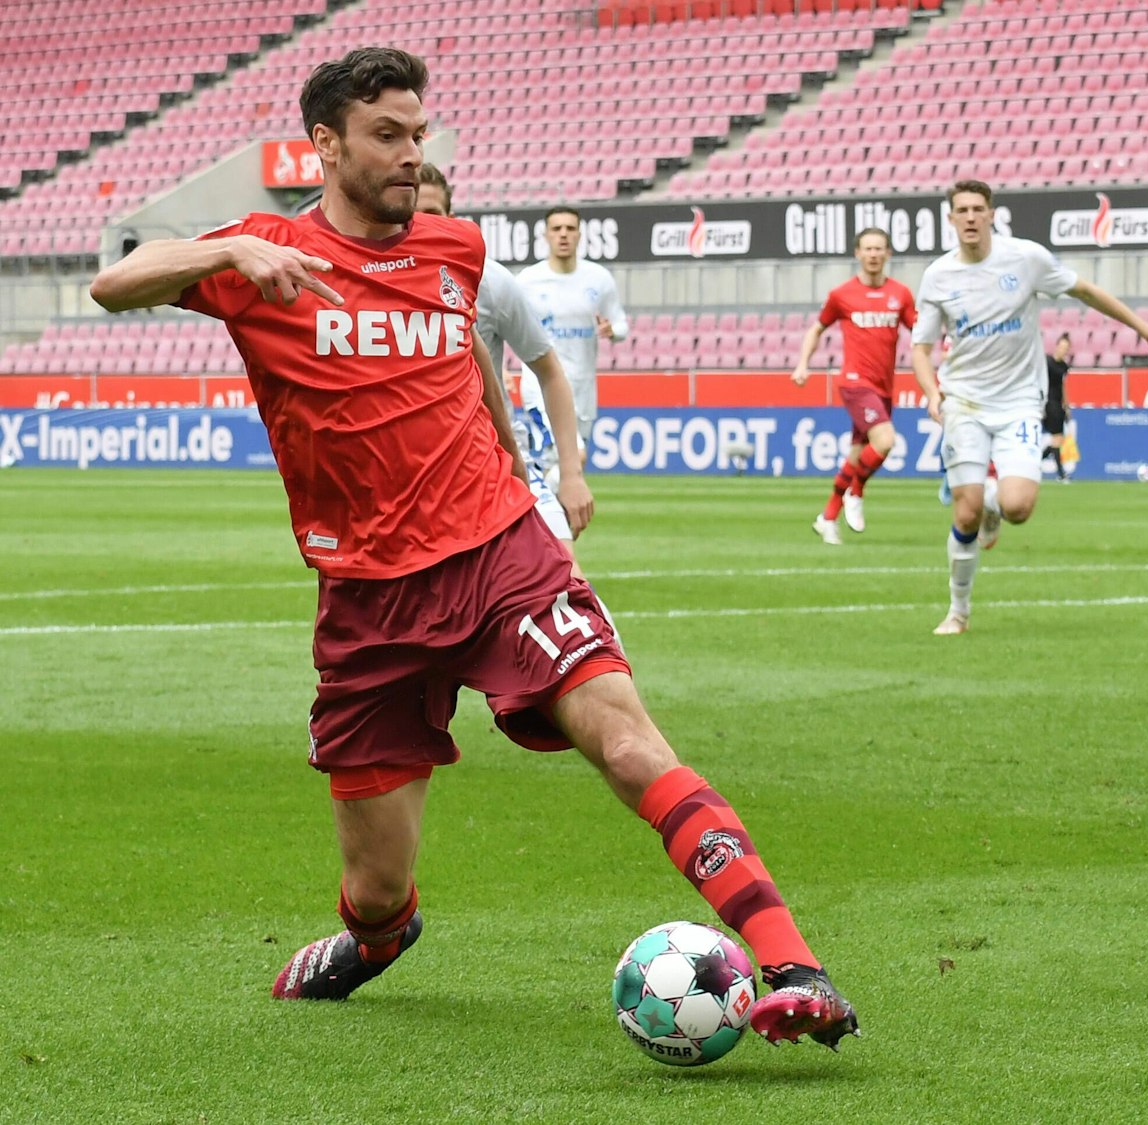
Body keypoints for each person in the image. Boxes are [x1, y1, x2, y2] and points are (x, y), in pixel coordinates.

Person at [87, 47, 856, 1049]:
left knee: (628, 742)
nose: (411, 153)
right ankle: (378, 938)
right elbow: (112, 284)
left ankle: (796, 967)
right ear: (326, 145)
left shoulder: (454, 249)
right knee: (375, 884)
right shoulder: (265, 252)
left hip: (499, 557)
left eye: (417, 134)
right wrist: (226, 252)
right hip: (367, 598)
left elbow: (472, 364)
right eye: (387, 136)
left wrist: (526, 473)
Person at [912, 179, 1148, 635]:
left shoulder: (1026, 258)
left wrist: (1146, 330)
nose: (971, 217)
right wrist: (931, 392)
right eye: (962, 210)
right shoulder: (938, 276)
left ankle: (994, 507)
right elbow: (921, 348)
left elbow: (1087, 292)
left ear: (991, 213)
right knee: (964, 512)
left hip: (1020, 400)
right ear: (951, 217)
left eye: (978, 209)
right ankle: (958, 611)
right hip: (964, 401)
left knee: (1018, 506)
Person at [414, 163, 584, 554]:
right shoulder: (377, 284)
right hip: (424, 477)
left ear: (451, 219)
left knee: (565, 572)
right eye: (414, 214)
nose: (423, 225)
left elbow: (549, 371)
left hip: (500, 461)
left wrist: (571, 474)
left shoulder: (489, 281)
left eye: (433, 214)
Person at [790, 227, 915, 546]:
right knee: (885, 440)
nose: (873, 254)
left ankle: (828, 517)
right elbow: (816, 329)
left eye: (879, 248)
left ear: (888, 253)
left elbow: (920, 332)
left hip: (884, 388)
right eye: (867, 249)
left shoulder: (900, 294)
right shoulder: (842, 294)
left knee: (858, 454)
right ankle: (856, 492)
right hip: (855, 383)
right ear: (858, 253)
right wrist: (803, 364)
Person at [517, 204, 628, 456]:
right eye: (556, 229)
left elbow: (622, 324)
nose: (563, 234)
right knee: (574, 455)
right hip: (541, 387)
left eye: (570, 228)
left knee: (562, 468)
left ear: (579, 233)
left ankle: (536, 482)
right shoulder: (527, 281)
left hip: (583, 389)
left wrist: (613, 330)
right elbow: (503, 323)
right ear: (546, 235)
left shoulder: (598, 278)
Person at [1040, 333, 1072, 482]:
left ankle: (1036, 462)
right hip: (1049, 403)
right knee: (1057, 438)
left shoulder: (1064, 366)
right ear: (1057, 346)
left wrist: (1067, 405)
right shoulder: (1047, 362)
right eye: (1062, 347)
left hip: (1059, 405)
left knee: (1058, 440)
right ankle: (1061, 474)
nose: (1064, 350)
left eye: (1067, 348)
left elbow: (1063, 385)